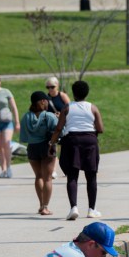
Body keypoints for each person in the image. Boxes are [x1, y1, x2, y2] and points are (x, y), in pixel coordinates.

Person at [49, 80, 105, 221]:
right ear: (87, 93)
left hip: (72, 141)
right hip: (90, 141)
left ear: (73, 93)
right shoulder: (92, 108)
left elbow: (59, 128)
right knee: (91, 176)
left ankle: (73, 207)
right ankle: (92, 209)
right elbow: (100, 129)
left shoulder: (67, 108)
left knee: (72, 176)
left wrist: (52, 142)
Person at [20, 91, 58, 216]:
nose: (47, 102)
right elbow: (60, 131)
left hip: (32, 148)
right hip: (47, 148)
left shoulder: (26, 117)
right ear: (42, 101)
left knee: (38, 176)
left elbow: (24, 137)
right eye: (46, 100)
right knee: (47, 178)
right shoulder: (49, 116)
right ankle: (46, 207)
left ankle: (41, 205)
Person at [0, 73, 20, 179]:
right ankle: (3, 170)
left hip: (7, 121)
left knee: (6, 143)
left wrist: (17, 122)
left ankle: (9, 168)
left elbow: (14, 107)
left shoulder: (6, 92)